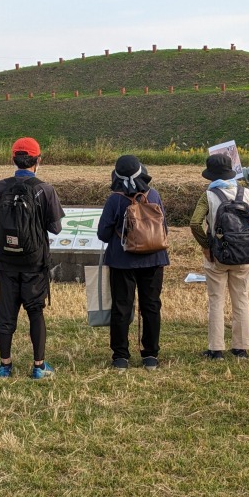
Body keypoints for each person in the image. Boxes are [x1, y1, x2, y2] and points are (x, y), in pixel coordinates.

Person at [0, 137, 65, 379]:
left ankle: (5, 366)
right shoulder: (45, 189)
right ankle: (39, 366)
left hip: (7, 263)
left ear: (13, 159)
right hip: (35, 263)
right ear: (38, 160)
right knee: (35, 312)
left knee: (6, 313)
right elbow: (56, 228)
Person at [97, 155, 170, 370]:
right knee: (151, 306)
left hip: (122, 261)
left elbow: (102, 234)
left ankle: (120, 356)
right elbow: (163, 228)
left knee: (121, 307)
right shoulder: (153, 194)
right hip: (154, 258)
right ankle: (150, 356)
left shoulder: (115, 200)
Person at [191, 153, 249, 360]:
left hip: (217, 255)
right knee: (241, 299)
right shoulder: (245, 192)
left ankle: (216, 349)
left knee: (216, 300)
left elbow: (194, 223)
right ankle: (241, 347)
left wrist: (206, 245)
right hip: (243, 255)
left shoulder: (209, 195)